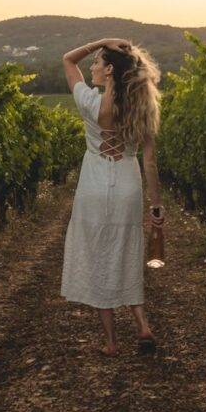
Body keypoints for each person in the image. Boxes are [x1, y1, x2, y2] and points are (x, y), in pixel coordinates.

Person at [60, 37, 166, 357]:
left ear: (108, 71)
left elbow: (68, 59)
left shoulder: (90, 103)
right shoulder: (142, 108)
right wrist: (157, 205)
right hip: (127, 187)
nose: (91, 67)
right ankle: (143, 326)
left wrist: (102, 42)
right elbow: (149, 163)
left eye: (97, 63)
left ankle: (111, 342)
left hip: (93, 187)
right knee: (127, 256)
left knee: (98, 258)